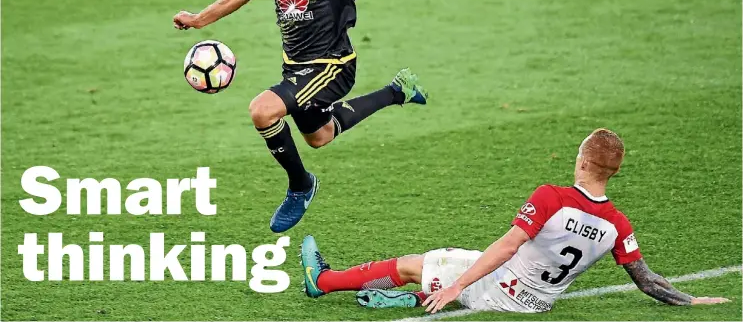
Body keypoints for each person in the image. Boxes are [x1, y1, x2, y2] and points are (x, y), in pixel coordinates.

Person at [172, 0, 481, 233]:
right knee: (319, 136)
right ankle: (398, 91)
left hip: (332, 64)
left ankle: (300, 186)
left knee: (263, 111)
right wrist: (200, 19)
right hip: (295, 66)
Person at [300, 129, 730, 312]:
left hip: (501, 287)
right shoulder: (618, 224)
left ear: (582, 160)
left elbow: (507, 246)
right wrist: (691, 301)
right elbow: (646, 279)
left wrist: (458, 285)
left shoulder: (553, 197)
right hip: (538, 302)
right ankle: (406, 300)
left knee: (419, 263)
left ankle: (324, 283)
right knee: (446, 267)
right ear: (612, 171)